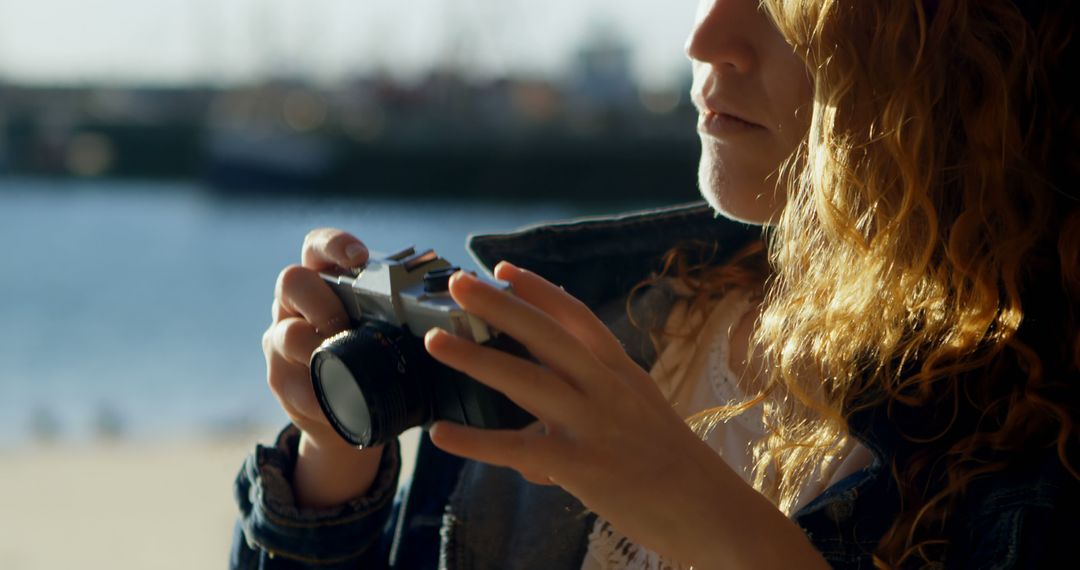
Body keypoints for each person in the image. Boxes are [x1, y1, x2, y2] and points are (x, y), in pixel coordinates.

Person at [231, 0, 1080, 567]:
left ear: (967, 56)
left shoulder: (1039, 442)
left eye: (786, 9)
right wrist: (332, 464)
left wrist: (712, 522)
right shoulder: (626, 316)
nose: (705, 38)